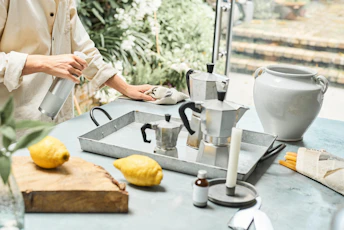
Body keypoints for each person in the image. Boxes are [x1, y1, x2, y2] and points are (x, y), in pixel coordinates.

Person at [0, 0, 155, 125]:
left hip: (57, 122)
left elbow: (84, 49)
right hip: (14, 124)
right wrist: (44, 63)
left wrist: (126, 88)